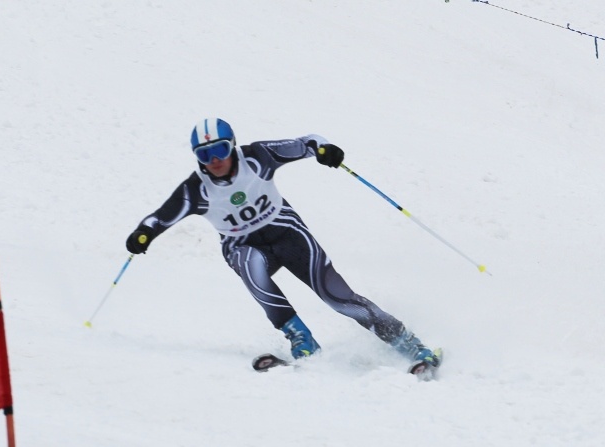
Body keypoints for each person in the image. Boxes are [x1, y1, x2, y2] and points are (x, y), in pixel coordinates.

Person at [126, 118, 440, 369]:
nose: (214, 160)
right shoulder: (196, 189)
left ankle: (410, 344)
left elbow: (308, 142)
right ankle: (301, 340)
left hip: (288, 234)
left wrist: (325, 151)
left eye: (219, 150)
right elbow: (159, 219)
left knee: (338, 298)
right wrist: (143, 235)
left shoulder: (259, 156)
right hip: (244, 246)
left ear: (232, 146)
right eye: (204, 155)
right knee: (248, 264)